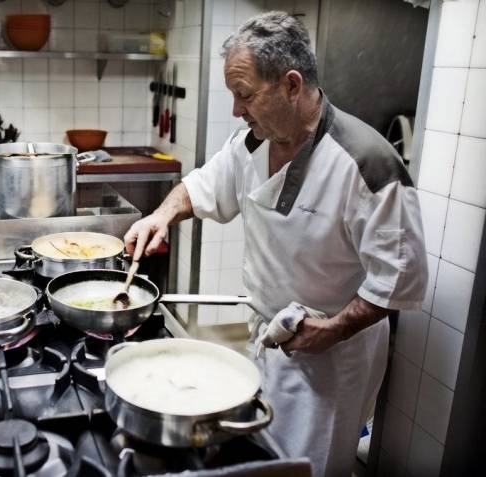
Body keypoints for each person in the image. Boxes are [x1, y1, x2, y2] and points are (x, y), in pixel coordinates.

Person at [124, 11, 428, 477]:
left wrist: (335, 330)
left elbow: (400, 279)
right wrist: (162, 214)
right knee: (267, 456)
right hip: (269, 338)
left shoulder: (366, 164)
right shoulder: (251, 144)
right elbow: (201, 186)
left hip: (332, 354)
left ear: (291, 85)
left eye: (244, 96)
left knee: (312, 466)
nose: (236, 110)